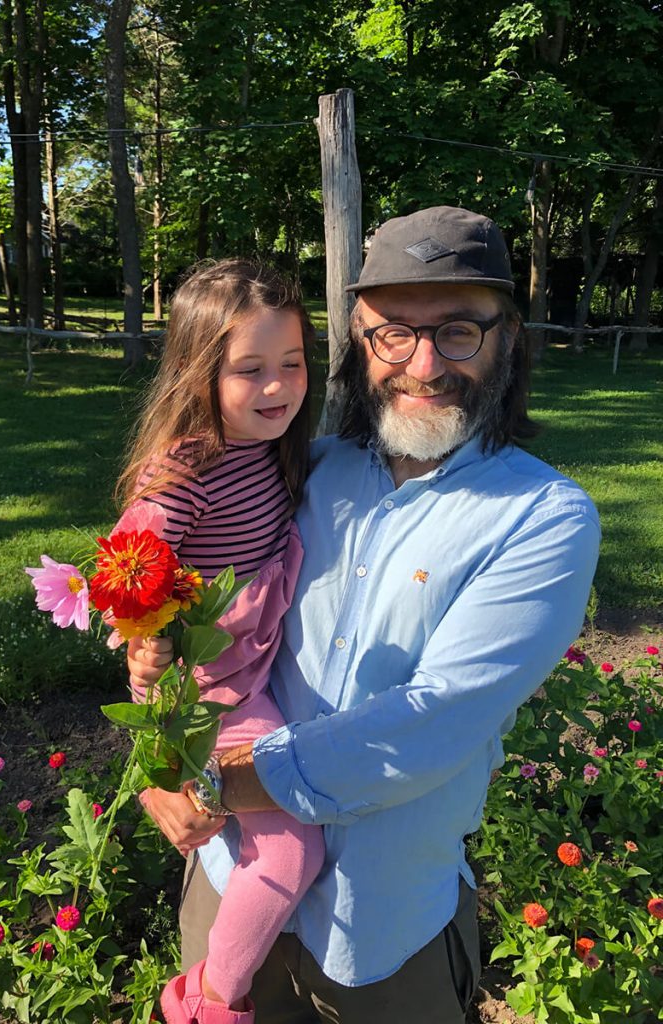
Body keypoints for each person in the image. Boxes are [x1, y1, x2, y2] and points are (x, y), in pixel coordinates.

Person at [133, 207, 601, 1024]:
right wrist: (157, 762)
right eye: (393, 334)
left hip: (382, 927)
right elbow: (179, 611)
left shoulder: (543, 517)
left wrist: (212, 780)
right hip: (232, 879)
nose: (423, 363)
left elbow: (430, 724)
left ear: (508, 337)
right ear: (359, 338)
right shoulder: (302, 471)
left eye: (458, 330)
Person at [112, 259, 325, 1024]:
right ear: (202, 372)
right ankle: (209, 1000)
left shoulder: (273, 447)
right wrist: (143, 648)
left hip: (247, 669)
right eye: (251, 370)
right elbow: (127, 572)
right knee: (294, 848)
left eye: (293, 364)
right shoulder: (185, 475)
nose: (278, 387)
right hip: (207, 692)